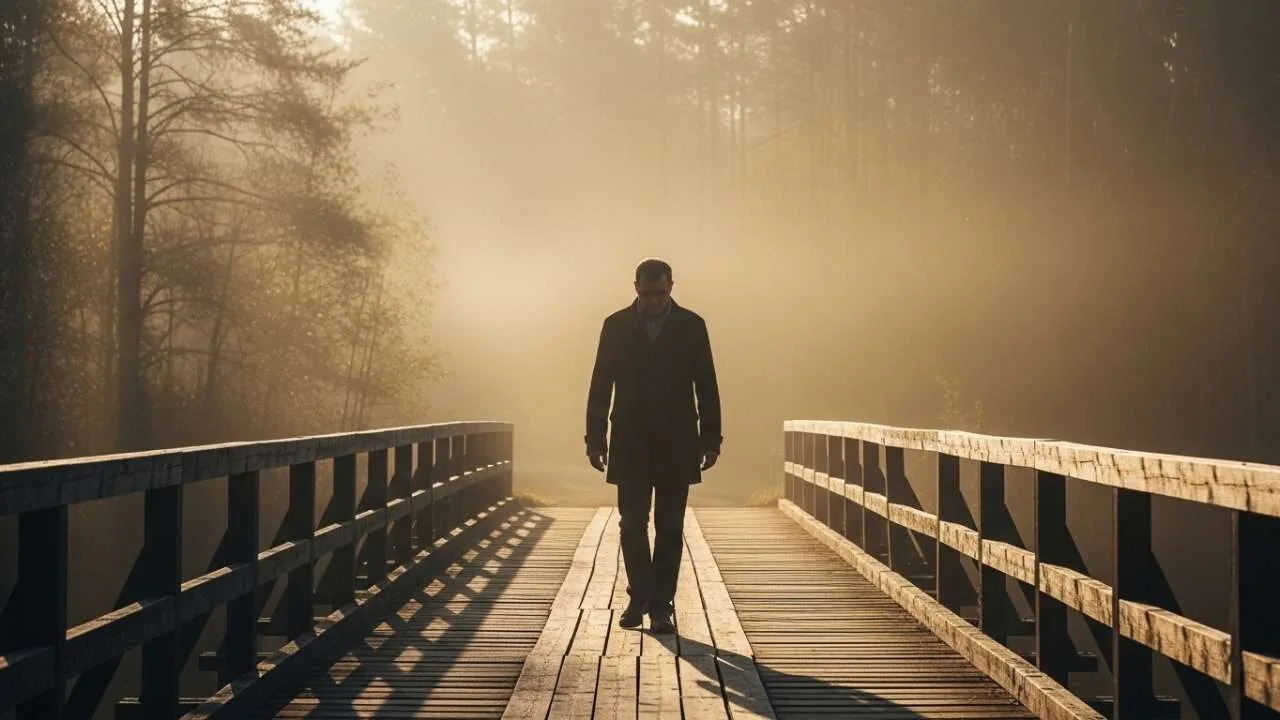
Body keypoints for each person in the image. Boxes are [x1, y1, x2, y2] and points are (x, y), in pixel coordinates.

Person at [584, 258, 722, 633]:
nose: (654, 301)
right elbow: (600, 384)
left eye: (660, 294)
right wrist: (594, 439)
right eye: (647, 294)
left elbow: (706, 384)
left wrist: (711, 438)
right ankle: (638, 597)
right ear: (636, 288)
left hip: (678, 439)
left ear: (671, 287)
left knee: (670, 526)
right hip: (630, 438)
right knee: (632, 524)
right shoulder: (615, 326)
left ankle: (661, 605)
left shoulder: (693, 326)